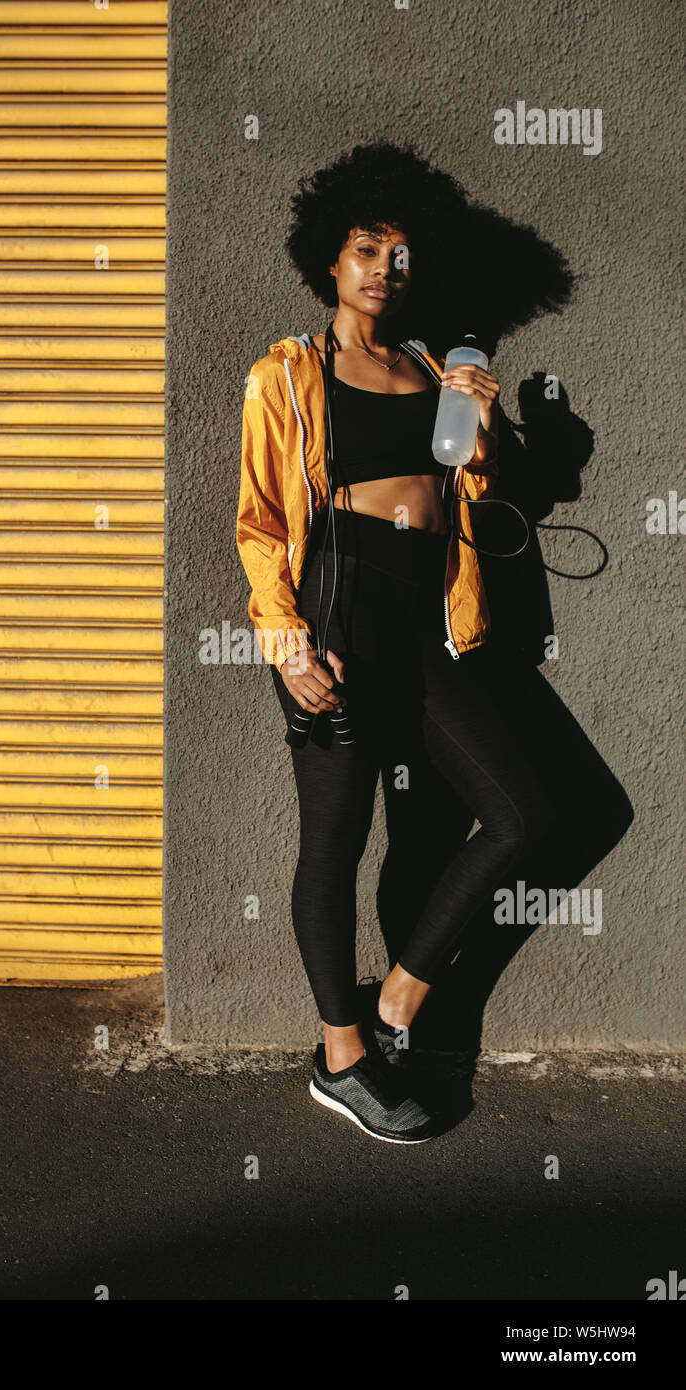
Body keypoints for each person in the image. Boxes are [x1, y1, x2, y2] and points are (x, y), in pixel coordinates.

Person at [236, 142, 562, 1144]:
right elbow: (256, 521)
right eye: (367, 249)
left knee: (524, 814)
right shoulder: (286, 373)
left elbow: (474, 491)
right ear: (327, 262)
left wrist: (480, 420)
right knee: (332, 841)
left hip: (425, 626)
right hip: (334, 619)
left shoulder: (430, 367)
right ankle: (341, 1056)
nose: (385, 267)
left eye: (400, 254)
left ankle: (398, 1001)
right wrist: (285, 641)